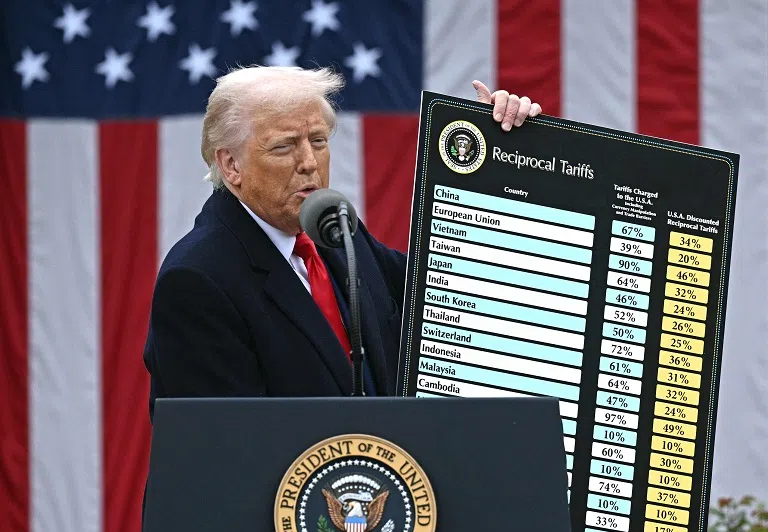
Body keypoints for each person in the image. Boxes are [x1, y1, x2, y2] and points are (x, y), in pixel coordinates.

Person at [143, 65, 541, 417]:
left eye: (318, 141)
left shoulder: (334, 232)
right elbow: (226, 450)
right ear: (231, 165)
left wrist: (499, 158)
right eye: (284, 146)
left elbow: (450, 294)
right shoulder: (197, 280)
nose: (309, 163)